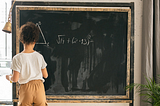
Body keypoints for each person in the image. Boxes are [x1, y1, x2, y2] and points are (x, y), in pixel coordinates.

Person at [6, 22, 48, 106]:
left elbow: (15, 79)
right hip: (39, 88)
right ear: (35, 40)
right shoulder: (39, 56)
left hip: (26, 88)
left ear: (21, 40)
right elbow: (45, 75)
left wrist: (9, 77)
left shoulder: (17, 58)